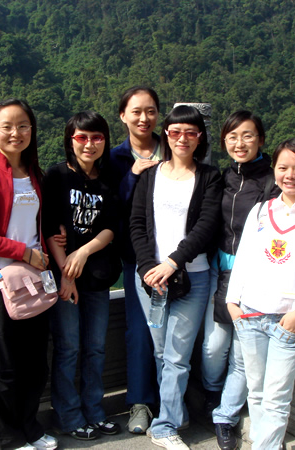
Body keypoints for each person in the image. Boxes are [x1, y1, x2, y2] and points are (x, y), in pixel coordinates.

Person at [203, 112, 295, 450]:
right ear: (275, 170)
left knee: (277, 396)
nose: (290, 175)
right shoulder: (262, 210)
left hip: (288, 319)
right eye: (283, 168)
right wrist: (233, 303)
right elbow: (244, 260)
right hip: (250, 314)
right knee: (256, 391)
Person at [0, 98, 58, 450]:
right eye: (6, 126)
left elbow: (40, 224)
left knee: (34, 361)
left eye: (22, 125)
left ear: (32, 130)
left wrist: (48, 249)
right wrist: (23, 252)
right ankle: (3, 438)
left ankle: (29, 427)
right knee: (1, 363)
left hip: (35, 280)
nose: (15, 132)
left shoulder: (35, 175)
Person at [130, 105, 222, 450]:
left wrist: (173, 262)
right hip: (151, 280)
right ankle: (175, 411)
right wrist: (146, 268)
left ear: (200, 138)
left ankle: (165, 425)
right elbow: (136, 224)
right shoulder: (150, 175)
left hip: (192, 277)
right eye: (175, 132)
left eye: (190, 133)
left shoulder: (209, 177)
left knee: (177, 355)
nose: (182, 138)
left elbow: (206, 226)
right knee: (160, 351)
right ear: (166, 135)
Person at [42, 111, 122, 441]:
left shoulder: (109, 178)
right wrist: (66, 274)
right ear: (70, 141)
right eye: (82, 137)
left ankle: (94, 410)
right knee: (69, 347)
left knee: (96, 348)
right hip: (64, 278)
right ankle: (69, 416)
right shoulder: (57, 176)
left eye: (97, 137)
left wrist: (83, 251)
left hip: (97, 276)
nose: (89, 144)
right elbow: (49, 228)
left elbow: (112, 227)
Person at [109, 86, 162, 434]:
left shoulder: (174, 147)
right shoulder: (114, 158)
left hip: (178, 257)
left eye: (151, 111)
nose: (144, 118)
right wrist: (134, 175)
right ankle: (140, 403)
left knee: (179, 333)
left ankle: (174, 400)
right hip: (137, 259)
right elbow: (110, 206)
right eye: (136, 111)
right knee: (140, 331)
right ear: (123, 116)